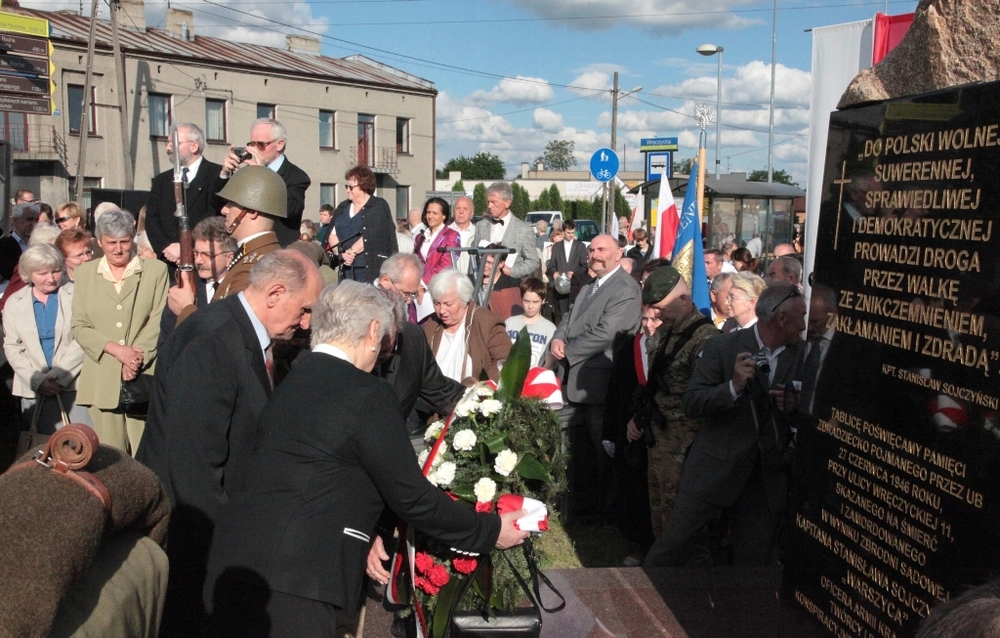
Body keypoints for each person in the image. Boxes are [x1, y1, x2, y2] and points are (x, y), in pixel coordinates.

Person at [201, 281, 528, 637]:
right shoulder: (369, 394)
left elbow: (324, 472)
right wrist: (490, 531)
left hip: (234, 567)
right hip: (298, 584)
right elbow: (411, 497)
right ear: (374, 330)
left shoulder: (295, 379)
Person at [136, 250, 323, 637]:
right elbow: (194, 466)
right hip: (192, 540)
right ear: (274, 293)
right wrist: (226, 548)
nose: (305, 323)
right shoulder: (214, 340)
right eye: (304, 310)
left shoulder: (241, 333)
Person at [644, 282, 805, 567]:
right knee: (673, 548)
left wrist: (794, 407)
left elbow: (807, 411)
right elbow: (692, 403)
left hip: (763, 479)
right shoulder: (723, 346)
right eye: (799, 317)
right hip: (713, 469)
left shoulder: (801, 353)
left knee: (753, 562)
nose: (803, 326)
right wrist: (732, 387)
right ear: (780, 319)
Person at [550, 234, 642, 520]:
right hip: (576, 379)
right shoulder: (591, 284)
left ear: (618, 254)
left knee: (601, 449)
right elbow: (569, 317)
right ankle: (585, 505)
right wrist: (557, 338)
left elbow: (607, 333)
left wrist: (569, 351)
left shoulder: (625, 289)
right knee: (582, 451)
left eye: (602, 249)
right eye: (591, 249)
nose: (594, 254)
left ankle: (607, 510)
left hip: (598, 385)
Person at [628, 267, 717, 543]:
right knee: (661, 517)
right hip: (660, 439)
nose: (656, 314)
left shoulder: (705, 338)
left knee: (684, 526)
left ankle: (686, 582)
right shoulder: (667, 333)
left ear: (682, 300)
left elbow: (706, 399)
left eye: (660, 307)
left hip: (686, 445)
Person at [71, 209, 168, 455]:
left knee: (147, 454)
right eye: (111, 242)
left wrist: (136, 358)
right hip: (102, 377)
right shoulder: (84, 274)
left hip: (143, 376)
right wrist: (116, 350)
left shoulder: (155, 270)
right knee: (110, 458)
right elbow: (80, 325)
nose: (118, 249)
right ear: (99, 242)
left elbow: (158, 319)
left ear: (133, 239)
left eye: (124, 241)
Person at [2, 244, 91, 431]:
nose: (51, 279)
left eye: (56, 271)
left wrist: (58, 377)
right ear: (29, 274)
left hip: (74, 385)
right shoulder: (14, 302)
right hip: (33, 389)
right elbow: (12, 346)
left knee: (78, 447)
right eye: (43, 273)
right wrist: (38, 380)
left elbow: (83, 337)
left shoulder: (78, 294)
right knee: (40, 451)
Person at [601, 303, 660, 565]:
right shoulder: (630, 347)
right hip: (632, 432)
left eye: (655, 319)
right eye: (645, 319)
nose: (649, 325)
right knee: (635, 489)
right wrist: (613, 430)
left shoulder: (671, 348)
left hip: (663, 431)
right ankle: (641, 543)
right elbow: (616, 390)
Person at [374, 254, 465, 422]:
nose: (409, 302)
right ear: (386, 282)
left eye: (413, 295)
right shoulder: (348, 322)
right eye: (405, 294)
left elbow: (438, 390)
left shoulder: (413, 336)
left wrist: (481, 400)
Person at [144, 123, 225, 266]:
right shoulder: (162, 180)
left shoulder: (217, 176)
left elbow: (215, 215)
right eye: (167, 143)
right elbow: (151, 219)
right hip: (169, 261)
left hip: (203, 261)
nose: (168, 148)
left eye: (174, 143)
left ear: (194, 146)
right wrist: (166, 248)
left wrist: (185, 247)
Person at [221, 118, 310, 247]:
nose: (255, 150)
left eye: (261, 145)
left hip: (277, 249)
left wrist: (264, 174)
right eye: (252, 144)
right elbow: (221, 206)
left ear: (279, 144)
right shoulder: (248, 172)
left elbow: (291, 209)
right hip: (245, 246)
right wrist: (224, 173)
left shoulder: (297, 176)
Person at [210, 165, 287, 302]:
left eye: (231, 203)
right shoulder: (252, 254)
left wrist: (185, 307)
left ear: (252, 212)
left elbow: (229, 321)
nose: (224, 210)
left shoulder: (253, 268)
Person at [424, 269, 510, 386]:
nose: (442, 311)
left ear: (464, 300)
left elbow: (505, 361)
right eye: (437, 303)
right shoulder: (432, 324)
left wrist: (480, 390)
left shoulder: (486, 322)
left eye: (448, 304)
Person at [160, 217, 237, 348]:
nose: (199, 261)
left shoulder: (240, 285)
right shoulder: (182, 288)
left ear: (229, 257)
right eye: (196, 253)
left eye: (207, 255)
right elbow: (167, 340)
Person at [328, 165, 397, 283]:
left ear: (363, 186)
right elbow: (332, 234)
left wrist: (352, 252)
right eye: (346, 186)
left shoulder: (378, 206)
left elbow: (373, 234)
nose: (347, 190)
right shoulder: (343, 207)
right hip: (344, 266)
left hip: (367, 268)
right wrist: (341, 254)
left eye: (351, 187)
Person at [473, 182, 539, 280]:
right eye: (488, 202)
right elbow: (474, 257)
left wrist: (511, 271)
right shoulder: (481, 225)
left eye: (494, 202)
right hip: (482, 286)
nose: (489, 206)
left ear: (507, 203)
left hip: (509, 287)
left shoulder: (524, 229)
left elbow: (533, 261)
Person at [505, 277, 556, 367]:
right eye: (526, 301)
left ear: (543, 301)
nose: (530, 306)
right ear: (521, 299)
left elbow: (549, 363)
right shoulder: (509, 324)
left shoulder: (549, 329)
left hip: (536, 377)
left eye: (535, 302)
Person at [547, 219, 588, 320]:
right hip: (560, 287)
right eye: (568, 233)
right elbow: (552, 265)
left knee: (574, 315)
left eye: (573, 232)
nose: (571, 235)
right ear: (563, 231)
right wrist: (555, 273)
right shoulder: (556, 247)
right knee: (560, 316)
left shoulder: (580, 246)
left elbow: (584, 266)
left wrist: (575, 274)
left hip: (575, 287)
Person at [413, 197, 461, 284]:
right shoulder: (420, 237)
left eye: (435, 213)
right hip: (418, 285)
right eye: (428, 212)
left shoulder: (451, 235)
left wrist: (424, 283)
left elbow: (446, 265)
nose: (430, 216)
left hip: (440, 285)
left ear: (444, 216)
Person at [0, 202, 40, 283]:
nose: (34, 224)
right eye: (29, 219)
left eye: (36, 220)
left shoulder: (41, 243)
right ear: (15, 220)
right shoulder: (3, 245)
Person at [448, 195, 476, 274]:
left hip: (473, 279)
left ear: (472, 213)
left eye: (465, 209)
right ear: (454, 211)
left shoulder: (478, 233)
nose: (461, 212)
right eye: (458, 208)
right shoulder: (445, 233)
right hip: (451, 280)